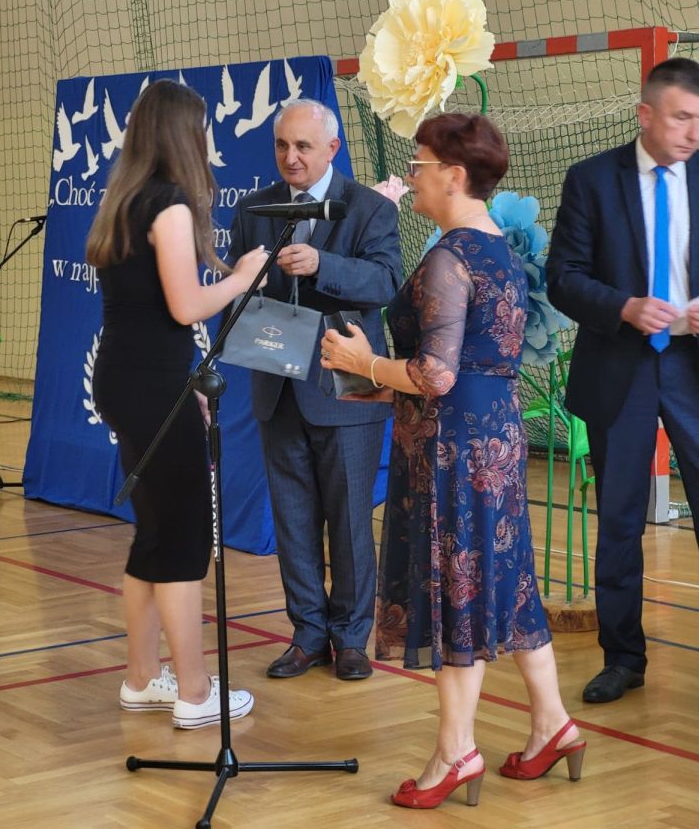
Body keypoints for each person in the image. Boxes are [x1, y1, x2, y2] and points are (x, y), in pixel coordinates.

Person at [321, 112, 585, 809]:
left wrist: (362, 361)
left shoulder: (448, 257)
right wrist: (379, 382)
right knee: (509, 581)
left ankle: (455, 752)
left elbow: (435, 375)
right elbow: (469, 365)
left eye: (419, 164)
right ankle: (553, 724)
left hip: (453, 451)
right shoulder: (498, 249)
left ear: (454, 175)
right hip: (493, 437)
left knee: (455, 593)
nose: (411, 175)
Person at [87, 79, 268, 728]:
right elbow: (187, 306)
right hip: (149, 386)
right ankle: (194, 692)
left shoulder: (124, 202)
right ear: (181, 135)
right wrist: (242, 278)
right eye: (200, 129)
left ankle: (141, 679)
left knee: (156, 533)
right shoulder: (168, 206)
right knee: (186, 539)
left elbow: (152, 315)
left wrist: (180, 387)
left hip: (130, 380)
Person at [228, 98, 402, 681]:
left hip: (345, 388)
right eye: (282, 145)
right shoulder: (254, 208)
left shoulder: (369, 207)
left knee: (350, 521)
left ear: (332, 148)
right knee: (293, 520)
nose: (291, 157)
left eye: (303, 146)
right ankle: (307, 635)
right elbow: (236, 286)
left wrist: (321, 264)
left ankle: (351, 639)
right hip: (277, 384)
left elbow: (385, 281)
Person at [546, 57, 699, 704]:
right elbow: (563, 278)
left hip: (691, 366)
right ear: (645, 114)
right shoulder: (591, 180)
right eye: (682, 118)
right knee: (619, 520)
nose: (693, 133)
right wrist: (624, 307)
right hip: (620, 367)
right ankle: (623, 658)